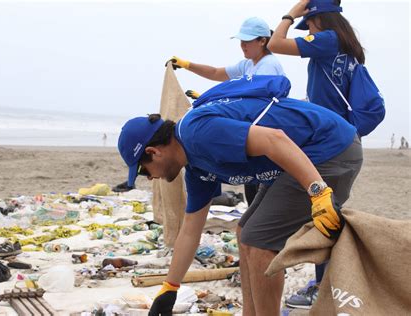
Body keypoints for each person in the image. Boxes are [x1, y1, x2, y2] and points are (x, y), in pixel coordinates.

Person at [117, 75, 362, 315]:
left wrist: (317, 192)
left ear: (153, 152)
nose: (150, 178)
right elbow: (190, 229)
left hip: (330, 149)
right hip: (299, 158)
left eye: (143, 171)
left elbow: (274, 139)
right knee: (245, 232)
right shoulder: (195, 167)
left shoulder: (196, 134)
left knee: (259, 241)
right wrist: (170, 287)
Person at [267, 0, 366, 308]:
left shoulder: (327, 40)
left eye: (308, 23)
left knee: (323, 213)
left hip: (329, 143)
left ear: (320, 20)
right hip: (340, 137)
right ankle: (326, 282)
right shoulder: (345, 48)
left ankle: (324, 286)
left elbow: (275, 44)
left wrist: (291, 13)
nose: (306, 28)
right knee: (328, 210)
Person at [166, 16, 285, 206]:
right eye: (241, 41)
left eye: (247, 41)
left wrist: (214, 102)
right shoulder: (248, 64)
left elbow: (254, 101)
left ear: (262, 41)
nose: (243, 46)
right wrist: (187, 64)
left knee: (260, 187)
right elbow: (216, 73)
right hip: (250, 127)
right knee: (253, 191)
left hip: (265, 130)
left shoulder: (268, 65)